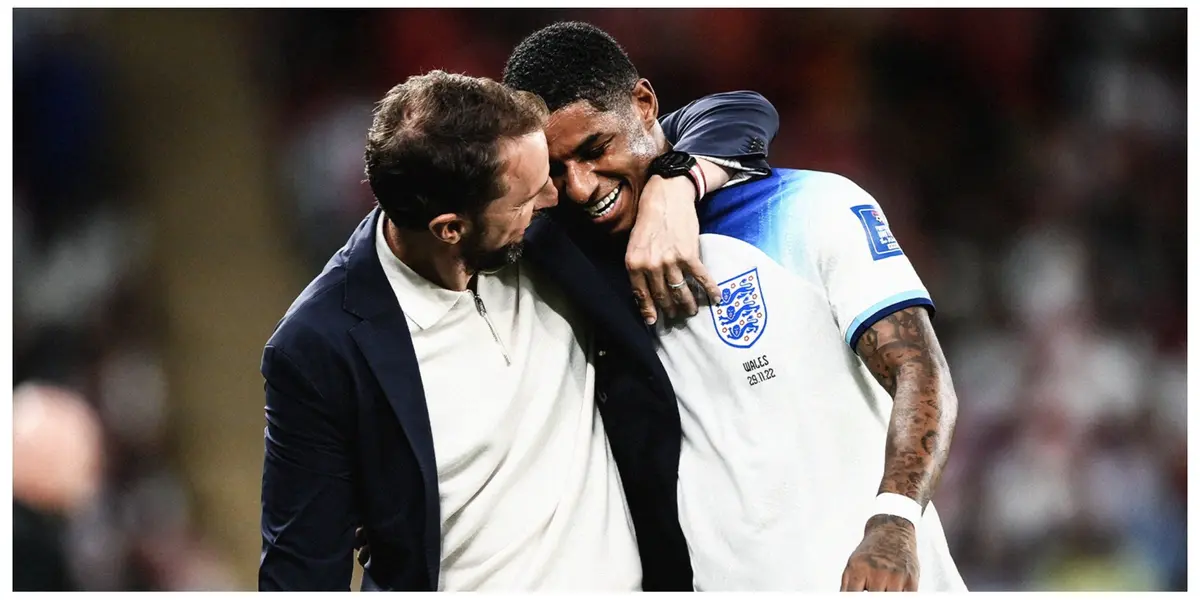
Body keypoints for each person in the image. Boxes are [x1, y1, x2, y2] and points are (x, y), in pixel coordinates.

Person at [259, 71, 779, 591]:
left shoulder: (545, 226)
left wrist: (675, 185)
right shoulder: (320, 347)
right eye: (529, 195)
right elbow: (302, 571)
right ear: (450, 228)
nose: (561, 195)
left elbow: (737, 111)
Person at [502, 21, 967, 592]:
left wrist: (894, 522)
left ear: (644, 104)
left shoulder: (813, 206)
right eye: (555, 167)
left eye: (596, 150)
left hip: (876, 576)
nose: (579, 186)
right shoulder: (569, 270)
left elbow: (920, 370)